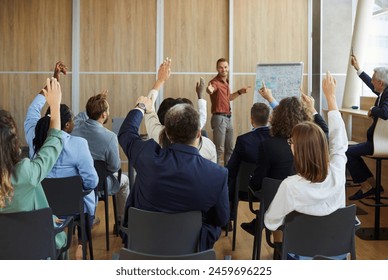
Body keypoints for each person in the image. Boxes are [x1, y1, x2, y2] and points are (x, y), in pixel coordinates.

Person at [119, 59, 229, 250]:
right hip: (192, 250)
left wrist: (141, 105)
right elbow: (222, 218)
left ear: (166, 132)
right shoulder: (217, 174)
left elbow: (126, 133)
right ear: (198, 133)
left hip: (145, 247)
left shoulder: (147, 156)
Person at [264, 71, 347, 259]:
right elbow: (339, 143)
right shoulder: (338, 173)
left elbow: (270, 222)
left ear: (298, 150)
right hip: (337, 256)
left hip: (301, 258)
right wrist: (331, 98)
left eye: (291, 142)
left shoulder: (290, 186)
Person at [24, 61, 98, 259]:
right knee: (90, 195)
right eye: (72, 119)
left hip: (42, 207)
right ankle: (82, 243)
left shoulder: (33, 137)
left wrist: (52, 83)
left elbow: (32, 111)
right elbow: (91, 182)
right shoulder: (78, 144)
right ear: (66, 124)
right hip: (72, 208)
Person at [241, 86, 328, 235]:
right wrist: (312, 108)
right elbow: (325, 131)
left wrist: (252, 185)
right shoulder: (313, 142)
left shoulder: (268, 145)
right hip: (307, 203)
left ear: (276, 117)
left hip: (277, 204)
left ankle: (277, 247)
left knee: (273, 196)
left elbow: (258, 180)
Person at [0, 77, 67, 252]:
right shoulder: (25, 173)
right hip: (33, 249)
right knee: (62, 241)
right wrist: (55, 107)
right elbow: (53, 142)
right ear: (14, 143)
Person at [71, 90, 130, 230]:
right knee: (125, 181)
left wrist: (95, 102)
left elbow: (80, 116)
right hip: (100, 183)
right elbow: (114, 166)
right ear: (104, 114)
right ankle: (122, 223)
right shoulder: (109, 137)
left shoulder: (75, 128)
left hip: (77, 182)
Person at [144, 69, 217, 163]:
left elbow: (148, 107)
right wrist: (200, 96)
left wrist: (160, 80)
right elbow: (202, 117)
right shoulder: (208, 145)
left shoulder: (158, 136)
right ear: (198, 133)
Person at [347, 55, 388, 200]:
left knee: (348, 153)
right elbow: (371, 86)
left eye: (373, 80)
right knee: (349, 152)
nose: (371, 82)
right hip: (375, 141)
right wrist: (358, 69)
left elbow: (385, 112)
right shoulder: (384, 91)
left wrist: (372, 109)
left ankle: (367, 187)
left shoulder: (387, 94)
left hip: (380, 144)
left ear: (381, 83)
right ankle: (372, 186)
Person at [207, 58, 251, 166]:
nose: (223, 69)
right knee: (219, 150)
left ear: (228, 68)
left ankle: (228, 174)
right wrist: (209, 89)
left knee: (230, 149)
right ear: (217, 69)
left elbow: (229, 98)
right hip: (219, 118)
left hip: (228, 118)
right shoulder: (215, 82)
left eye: (225, 67)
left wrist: (240, 92)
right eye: (221, 67)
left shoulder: (226, 83)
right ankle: (216, 175)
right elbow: (211, 88)